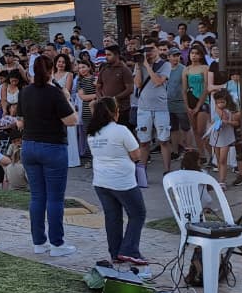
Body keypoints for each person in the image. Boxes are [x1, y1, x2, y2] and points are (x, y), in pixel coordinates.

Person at [19, 53, 80, 255]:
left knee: (37, 196)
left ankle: (39, 242)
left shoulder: (25, 92)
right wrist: (67, 98)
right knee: (55, 198)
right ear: (52, 71)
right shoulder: (55, 93)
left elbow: (20, 120)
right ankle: (57, 244)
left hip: (29, 145)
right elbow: (72, 120)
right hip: (53, 147)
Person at [86, 97, 147, 265]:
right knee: (137, 213)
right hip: (122, 181)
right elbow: (136, 155)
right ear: (114, 112)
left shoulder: (92, 133)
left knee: (113, 217)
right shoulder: (121, 130)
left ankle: (115, 252)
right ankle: (129, 250)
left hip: (101, 181)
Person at [133, 42, 172, 174]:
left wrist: (147, 66)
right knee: (144, 142)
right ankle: (142, 172)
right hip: (144, 109)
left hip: (161, 108)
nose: (148, 52)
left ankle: (167, 171)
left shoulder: (165, 65)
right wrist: (139, 66)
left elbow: (158, 81)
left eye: (151, 49)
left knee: (164, 140)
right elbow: (138, 84)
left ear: (157, 50)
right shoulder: (140, 64)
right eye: (147, 49)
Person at [96, 46, 135, 131]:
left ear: (116, 55)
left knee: (123, 133)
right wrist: (101, 98)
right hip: (106, 109)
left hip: (122, 109)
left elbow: (130, 89)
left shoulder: (125, 70)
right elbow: (98, 86)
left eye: (109, 55)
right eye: (105, 55)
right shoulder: (104, 69)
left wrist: (115, 98)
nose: (106, 57)